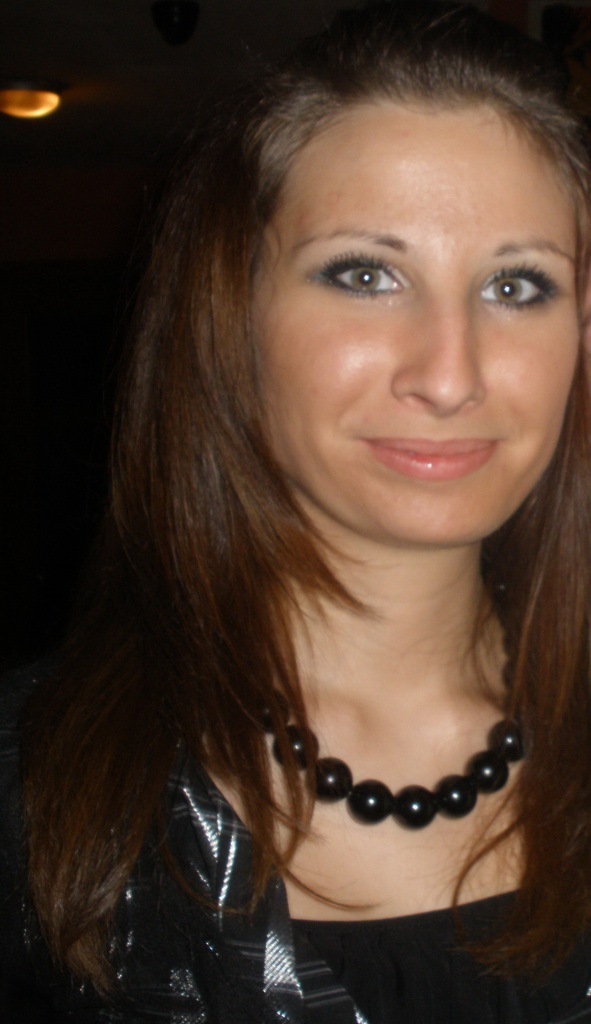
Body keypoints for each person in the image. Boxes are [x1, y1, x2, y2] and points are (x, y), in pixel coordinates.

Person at [2, 1, 591, 1020]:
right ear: (230, 316)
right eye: (365, 275)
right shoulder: (32, 782)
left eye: (516, 285)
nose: (450, 375)